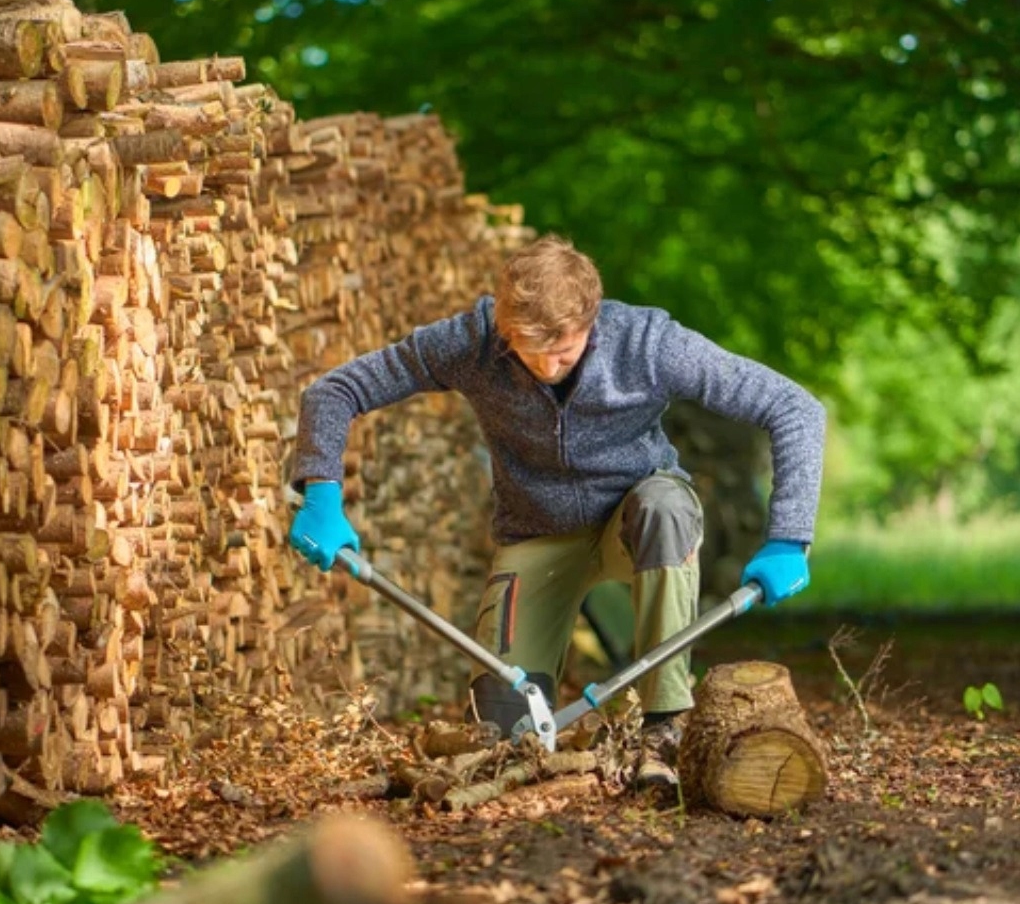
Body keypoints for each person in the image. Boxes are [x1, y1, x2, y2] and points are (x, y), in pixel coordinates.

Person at [288, 235, 825, 786]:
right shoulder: (472, 342)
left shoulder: (648, 343)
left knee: (665, 507)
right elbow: (336, 391)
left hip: (634, 521)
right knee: (503, 735)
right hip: (536, 534)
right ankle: (522, 737)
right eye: (529, 350)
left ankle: (662, 728)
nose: (547, 366)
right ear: (504, 327)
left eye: (564, 352)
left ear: (592, 319)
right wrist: (322, 494)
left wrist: (789, 536)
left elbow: (793, 407)